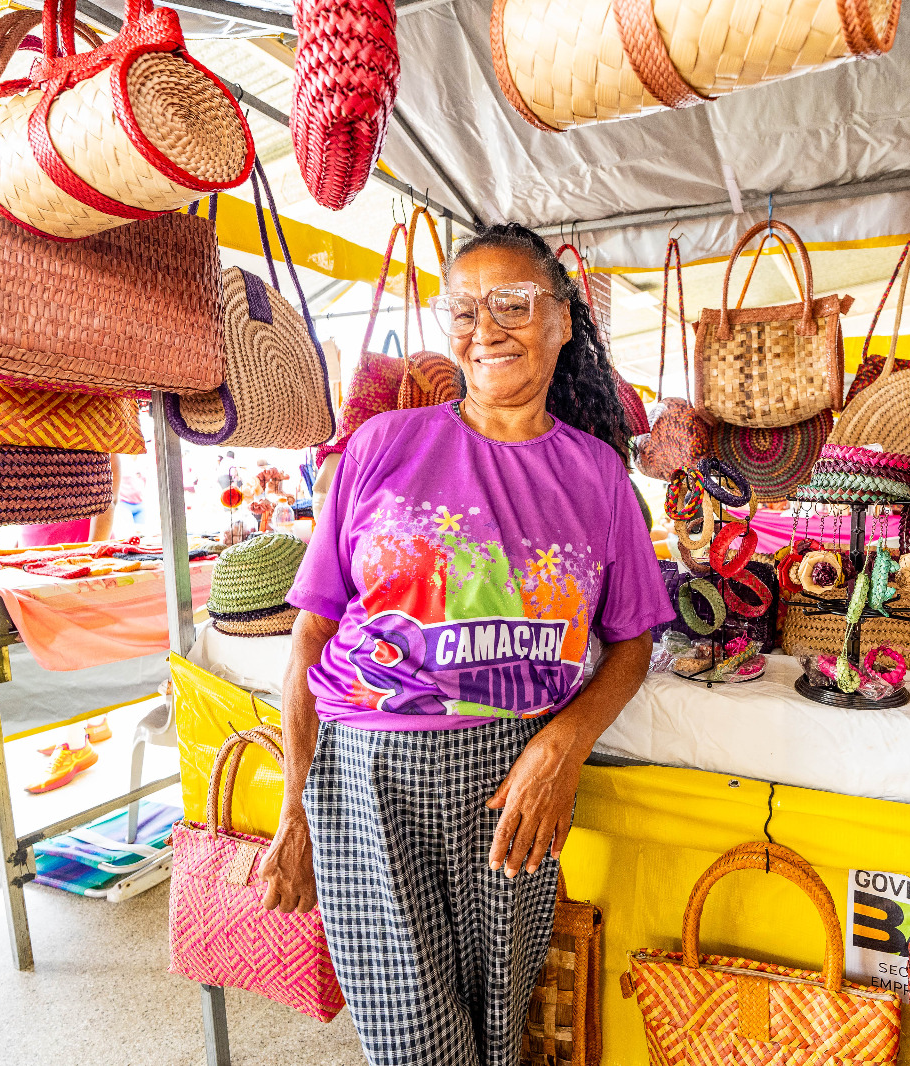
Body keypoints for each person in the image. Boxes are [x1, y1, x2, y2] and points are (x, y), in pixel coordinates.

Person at [259, 223, 672, 1066]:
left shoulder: (598, 476)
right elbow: (312, 632)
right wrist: (295, 809)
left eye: (514, 304)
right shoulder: (380, 447)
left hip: (513, 781)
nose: (486, 328)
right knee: (417, 1048)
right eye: (464, 308)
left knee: (494, 1032)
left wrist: (565, 744)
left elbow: (631, 643)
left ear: (562, 321)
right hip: (369, 777)